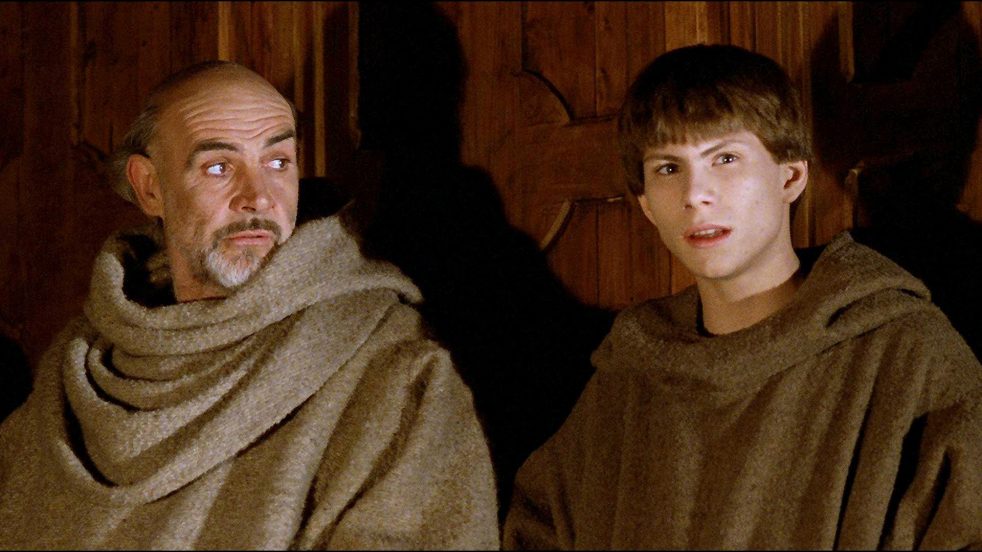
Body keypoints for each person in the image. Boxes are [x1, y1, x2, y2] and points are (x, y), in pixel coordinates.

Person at [0, 60, 498, 549]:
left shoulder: (395, 372)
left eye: (278, 163)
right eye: (219, 167)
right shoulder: (80, 369)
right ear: (150, 187)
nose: (258, 197)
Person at [503, 44, 982, 549]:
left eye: (725, 158)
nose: (695, 194)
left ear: (790, 176)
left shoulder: (908, 356)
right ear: (645, 204)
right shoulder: (628, 379)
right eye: (668, 168)